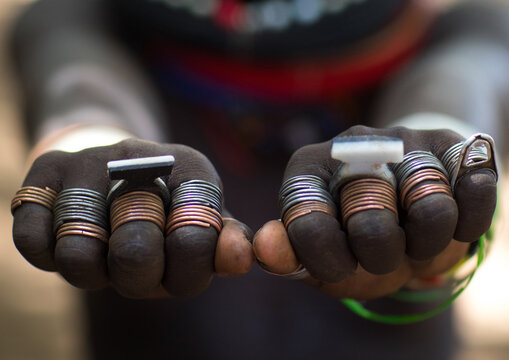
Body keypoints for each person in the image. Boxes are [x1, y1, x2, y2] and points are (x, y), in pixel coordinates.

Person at [9, 0, 505, 358]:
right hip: (153, 67)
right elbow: (70, 53)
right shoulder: (79, 22)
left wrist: (444, 140)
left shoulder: (466, 36)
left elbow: (471, 66)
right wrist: (89, 137)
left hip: (398, 58)